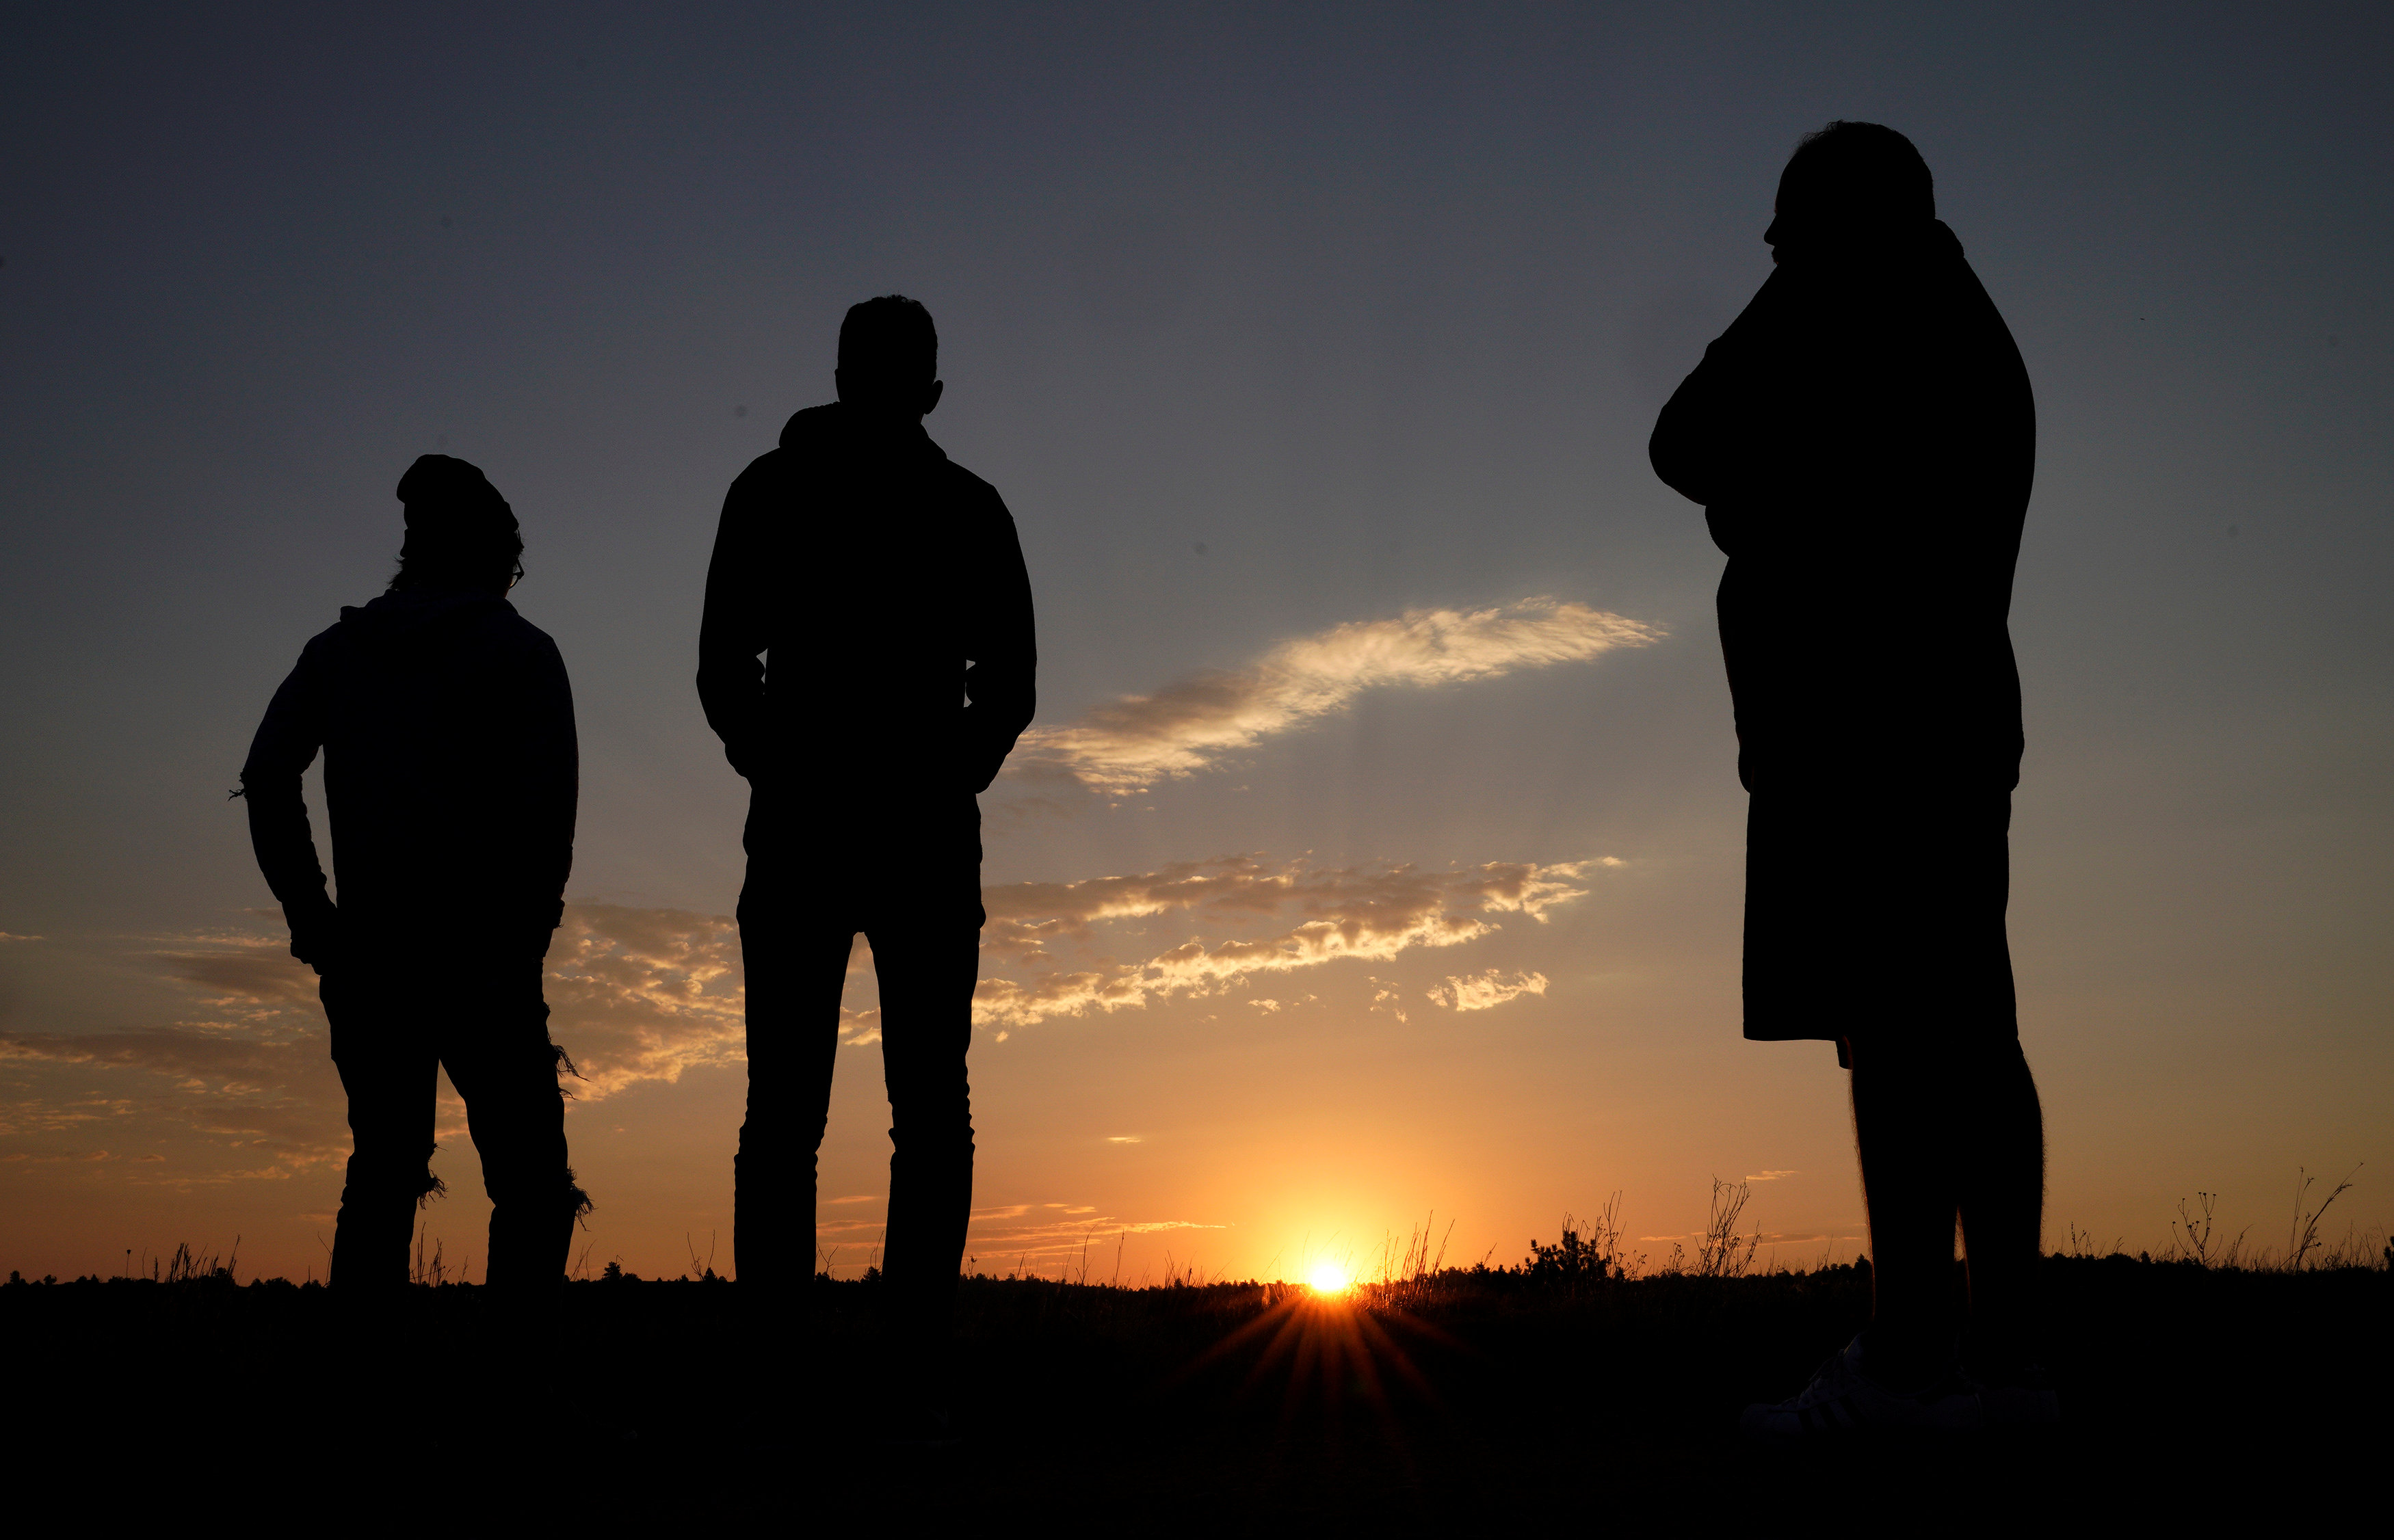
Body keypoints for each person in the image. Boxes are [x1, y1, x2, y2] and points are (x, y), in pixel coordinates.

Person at [1648, 122, 2053, 1437]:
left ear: (1839, 234)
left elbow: (1688, 440)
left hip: (1881, 734)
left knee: (1919, 1036)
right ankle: (1977, 1359)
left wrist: (1789, 290)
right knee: (1946, 1030)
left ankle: (1921, 1356)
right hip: (1904, 728)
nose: (1772, 260)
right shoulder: (1923, 324)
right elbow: (1730, 475)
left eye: (1788, 238)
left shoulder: (1890, 327)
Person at [698, 295, 1037, 1429]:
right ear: (931, 389)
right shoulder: (965, 507)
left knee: (793, 1114)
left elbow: (720, 667)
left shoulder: (773, 492)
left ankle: (781, 1371)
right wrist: (944, 775)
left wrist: (778, 765)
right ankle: (906, 1367)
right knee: (921, 1109)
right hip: (903, 836)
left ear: (845, 376)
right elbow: (1012, 688)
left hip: (817, 831)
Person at [241, 455, 586, 1292]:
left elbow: (268, 772)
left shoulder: (340, 652)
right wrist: (526, 934)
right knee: (533, 1182)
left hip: (371, 957)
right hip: (486, 961)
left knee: (385, 1169)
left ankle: (366, 1405)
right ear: (494, 555)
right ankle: (516, 1399)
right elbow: (550, 812)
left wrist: (312, 913)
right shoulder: (521, 650)